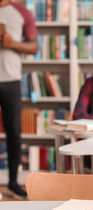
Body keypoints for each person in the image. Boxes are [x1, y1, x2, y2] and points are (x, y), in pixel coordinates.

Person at [0, 0, 38, 199]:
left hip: (11, 80)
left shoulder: (22, 12)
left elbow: (34, 47)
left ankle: (13, 183)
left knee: (14, 132)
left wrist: (11, 43)